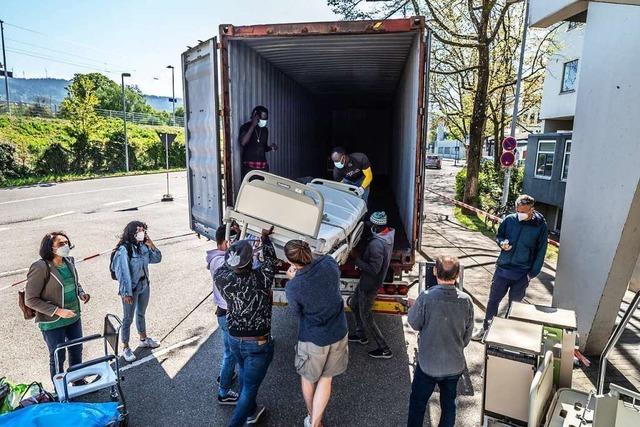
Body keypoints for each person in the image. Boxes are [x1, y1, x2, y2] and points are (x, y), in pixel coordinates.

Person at [214, 227, 277, 427]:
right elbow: (271, 261)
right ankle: (238, 422)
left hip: (235, 338)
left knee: (242, 372)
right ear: (250, 261)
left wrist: (236, 251)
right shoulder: (261, 278)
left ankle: (250, 411)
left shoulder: (222, 277)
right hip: (257, 341)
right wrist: (265, 239)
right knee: (250, 388)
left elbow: (226, 263)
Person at [284, 240, 349, 427]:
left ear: (292, 263)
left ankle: (314, 421)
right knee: (326, 378)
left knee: (308, 378)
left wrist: (292, 280)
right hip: (338, 332)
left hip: (313, 338)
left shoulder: (294, 287)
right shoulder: (328, 263)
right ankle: (314, 423)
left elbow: (297, 312)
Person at [406, 255, 474, 427]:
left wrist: (415, 306)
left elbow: (414, 323)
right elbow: (467, 336)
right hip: (454, 365)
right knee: (449, 405)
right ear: (458, 274)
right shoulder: (466, 301)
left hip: (428, 364)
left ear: (435, 271)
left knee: (418, 404)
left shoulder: (426, 297)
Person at [472, 195, 548, 340]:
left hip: (522, 274)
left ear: (532, 210)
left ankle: (504, 336)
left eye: (523, 211)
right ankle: (486, 329)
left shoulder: (540, 226)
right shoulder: (509, 220)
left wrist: (531, 274)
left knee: (514, 307)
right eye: (518, 210)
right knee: (493, 301)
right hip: (502, 269)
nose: (520, 214)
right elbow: (499, 235)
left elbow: (541, 251)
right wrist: (501, 243)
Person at [25, 232, 91, 380]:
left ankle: (77, 381)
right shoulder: (40, 267)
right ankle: (60, 390)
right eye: (61, 244)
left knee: (76, 351)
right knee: (57, 356)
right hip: (53, 322)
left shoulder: (69, 261)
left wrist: (81, 292)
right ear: (50, 247)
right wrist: (58, 311)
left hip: (73, 317)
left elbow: (73, 282)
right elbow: (30, 299)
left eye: (67, 243)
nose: (66, 246)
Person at [111, 221, 163, 362]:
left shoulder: (143, 246)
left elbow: (157, 259)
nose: (142, 233)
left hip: (144, 285)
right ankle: (126, 347)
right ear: (131, 232)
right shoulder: (124, 250)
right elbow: (123, 273)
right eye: (139, 230)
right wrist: (126, 293)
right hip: (130, 290)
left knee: (141, 313)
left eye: (143, 230)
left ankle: (143, 339)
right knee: (128, 318)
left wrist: (151, 245)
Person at [348, 211, 395, 359]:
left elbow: (374, 270)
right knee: (354, 304)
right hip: (366, 282)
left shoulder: (376, 245)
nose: (369, 226)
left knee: (366, 316)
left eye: (371, 224)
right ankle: (360, 334)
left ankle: (384, 348)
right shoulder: (388, 235)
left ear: (377, 226)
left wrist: (356, 259)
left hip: (369, 284)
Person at [206, 225, 240, 405]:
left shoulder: (219, 258)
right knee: (231, 354)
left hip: (223, 312)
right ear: (226, 241)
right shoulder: (220, 261)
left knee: (229, 351)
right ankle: (224, 392)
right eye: (233, 241)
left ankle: (226, 375)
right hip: (227, 313)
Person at [239, 105, 278, 178]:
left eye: (265, 119)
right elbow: (243, 142)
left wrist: (271, 147)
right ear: (255, 116)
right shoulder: (246, 127)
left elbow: (263, 147)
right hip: (249, 169)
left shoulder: (265, 130)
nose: (264, 121)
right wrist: (253, 126)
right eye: (262, 119)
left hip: (263, 168)